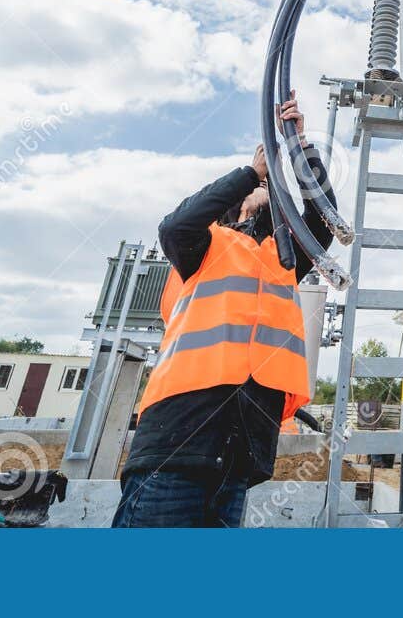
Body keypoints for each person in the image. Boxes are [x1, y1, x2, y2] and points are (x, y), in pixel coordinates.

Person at [112, 92, 335, 528]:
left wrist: (299, 149)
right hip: (176, 446)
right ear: (233, 209)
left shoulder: (283, 261)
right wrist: (251, 172)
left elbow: (325, 219)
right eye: (257, 191)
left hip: (239, 459)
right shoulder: (202, 248)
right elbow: (175, 224)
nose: (265, 194)